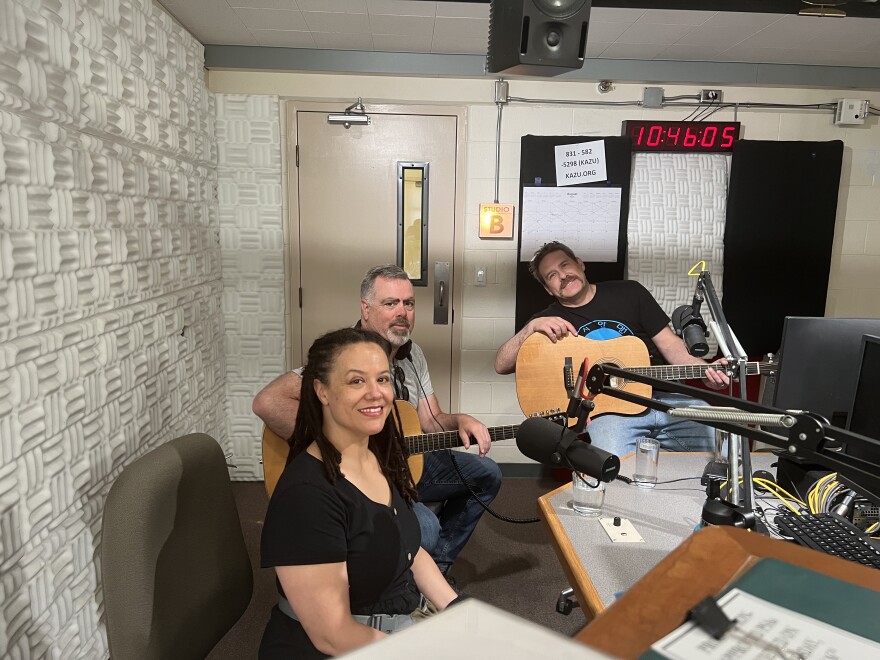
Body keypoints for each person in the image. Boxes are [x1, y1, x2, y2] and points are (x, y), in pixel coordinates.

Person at [253, 264, 502, 579]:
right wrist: (343, 444)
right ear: (365, 308)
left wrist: (460, 420)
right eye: (390, 303)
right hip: (362, 475)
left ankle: (433, 574)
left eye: (408, 303)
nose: (402, 312)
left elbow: (431, 419)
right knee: (425, 529)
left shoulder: (413, 355)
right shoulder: (345, 355)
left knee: (487, 474)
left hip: (405, 463)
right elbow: (268, 402)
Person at [259, 328, 459, 658]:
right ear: (321, 390)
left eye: (382, 379)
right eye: (356, 381)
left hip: (393, 626)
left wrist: (457, 609)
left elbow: (411, 551)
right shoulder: (306, 496)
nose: (375, 393)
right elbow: (332, 636)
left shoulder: (375, 458)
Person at [495, 241, 730, 457]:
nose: (563, 276)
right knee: (612, 470)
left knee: (724, 450)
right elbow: (501, 364)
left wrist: (705, 370)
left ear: (580, 264)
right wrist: (529, 329)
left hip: (666, 399)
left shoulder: (630, 293)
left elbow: (670, 345)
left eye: (565, 265)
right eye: (552, 276)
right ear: (548, 289)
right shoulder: (547, 321)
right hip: (609, 413)